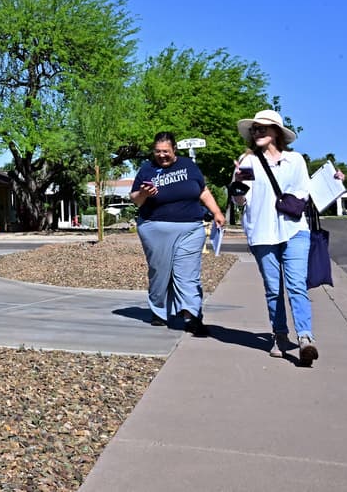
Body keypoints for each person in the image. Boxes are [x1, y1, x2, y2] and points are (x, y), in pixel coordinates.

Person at [230, 109, 319, 366]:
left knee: (296, 285)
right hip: (261, 232)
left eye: (263, 128)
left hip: (294, 229)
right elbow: (240, 200)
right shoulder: (247, 161)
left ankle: (305, 338)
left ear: (276, 133)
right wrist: (237, 185)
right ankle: (279, 335)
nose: (257, 132)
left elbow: (304, 193)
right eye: (255, 129)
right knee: (273, 289)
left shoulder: (296, 160)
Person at [130, 132, 227, 336]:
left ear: (174, 150)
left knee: (188, 274)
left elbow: (203, 191)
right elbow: (136, 199)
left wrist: (217, 212)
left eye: (166, 151)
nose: (162, 155)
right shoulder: (147, 169)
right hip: (154, 227)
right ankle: (159, 310)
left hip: (190, 228)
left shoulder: (189, 166)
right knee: (160, 271)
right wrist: (145, 193)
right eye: (158, 151)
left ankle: (192, 316)